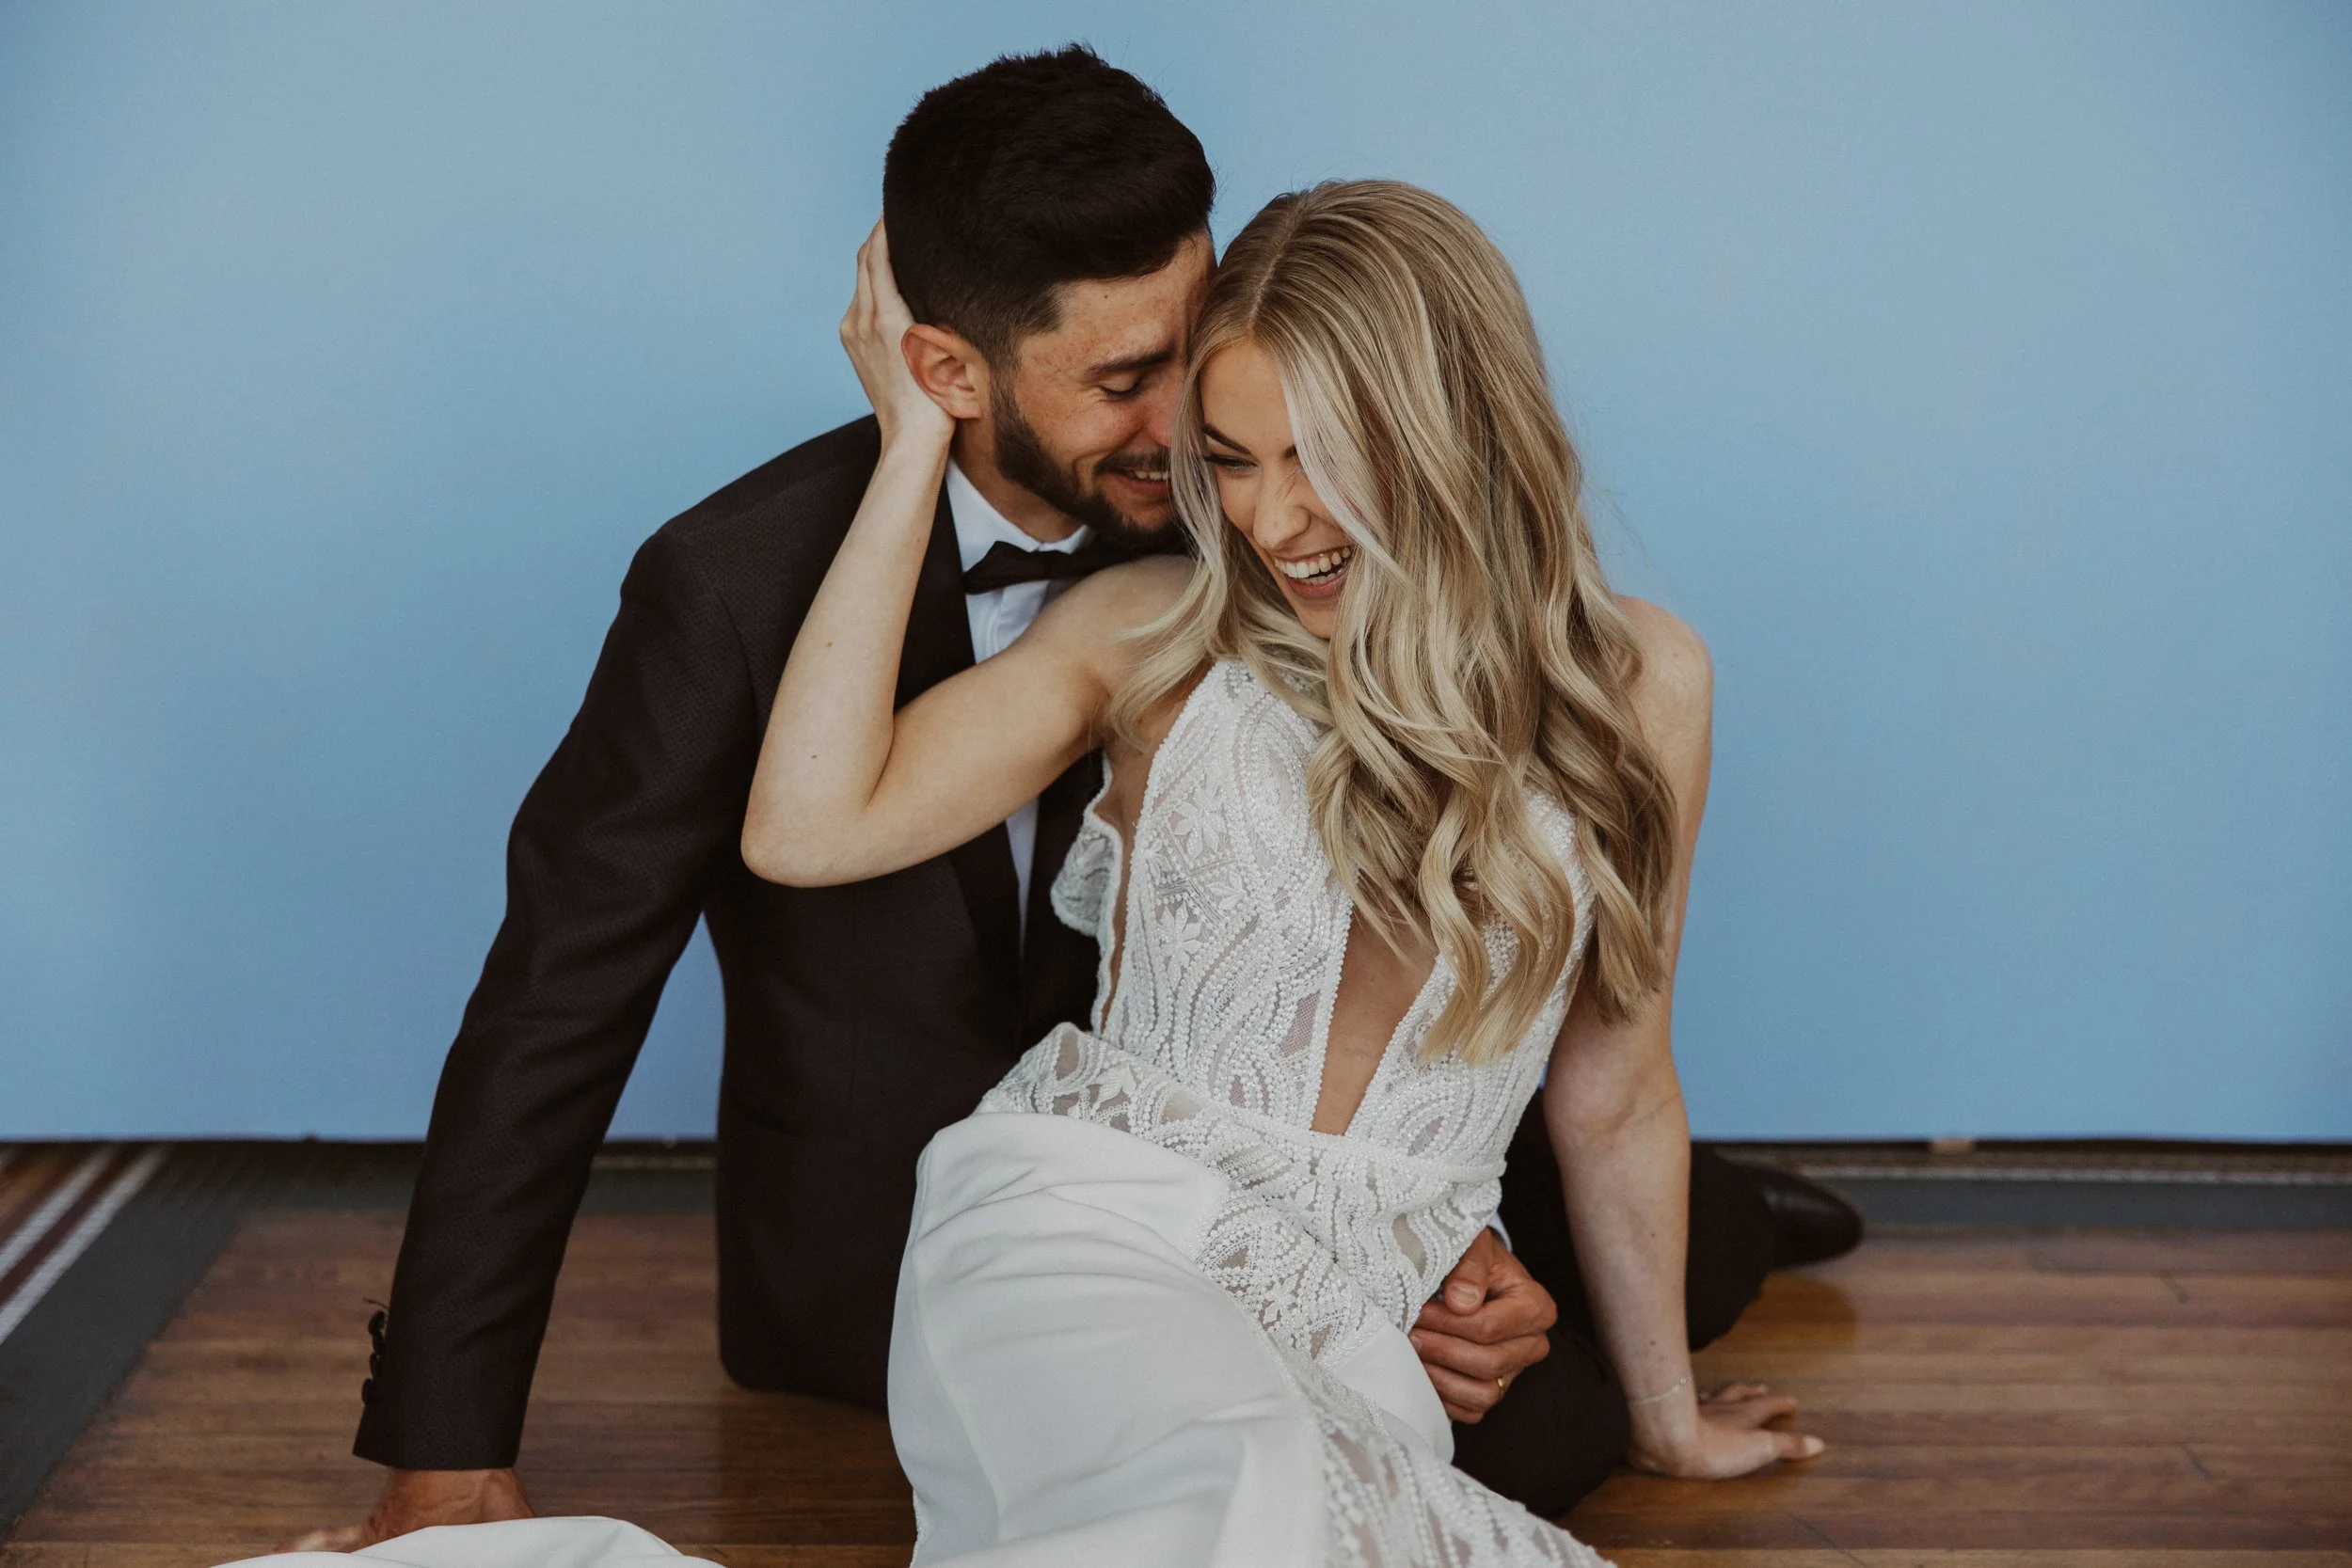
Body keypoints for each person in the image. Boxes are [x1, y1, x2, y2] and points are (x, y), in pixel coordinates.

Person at [278, 48, 1854, 1557]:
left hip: (1357, 1195)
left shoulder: (1257, 528)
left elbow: (1593, 1066)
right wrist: (443, 1448)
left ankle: (1691, 1232)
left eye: (1206, 356)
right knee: (1335, 1472)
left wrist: (1459, 1243)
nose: (1193, 440)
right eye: (1133, 383)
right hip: (983, 1222)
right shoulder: (744, 590)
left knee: (1597, 1294)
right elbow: (558, 1008)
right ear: (952, 366)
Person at [736, 179, 1822, 1564]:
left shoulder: (1641, 685)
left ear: (1451, 431)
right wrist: (911, 441)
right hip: (1081, 1223)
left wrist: (1668, 1420)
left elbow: (1614, 1092)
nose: (1273, 517)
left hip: (1378, 1308)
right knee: (1241, 1496)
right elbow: (805, 828)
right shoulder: (1149, 634)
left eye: (1322, 455)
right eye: (1234, 458)